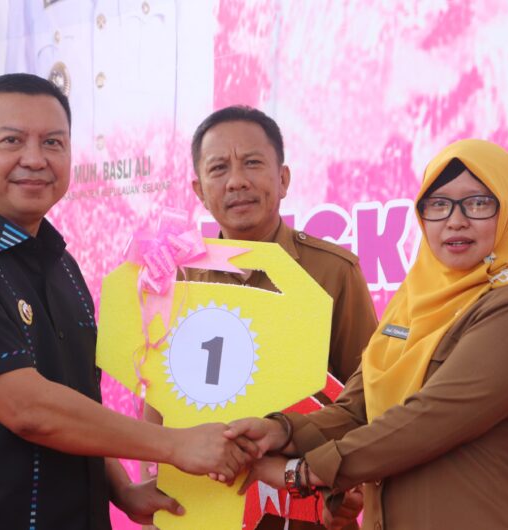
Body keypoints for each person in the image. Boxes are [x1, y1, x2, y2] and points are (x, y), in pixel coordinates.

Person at [0, 73, 255, 530]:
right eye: (11, 140)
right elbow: (30, 409)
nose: (35, 159)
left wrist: (122, 489)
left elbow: (76, 401)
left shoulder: (60, 262)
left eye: (52, 142)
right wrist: (175, 444)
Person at [227, 139, 508, 529]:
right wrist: (280, 431)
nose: (455, 220)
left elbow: (430, 420)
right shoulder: (412, 302)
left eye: (479, 203)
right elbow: (357, 410)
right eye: (438, 204)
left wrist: (304, 471)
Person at [143, 105, 377, 529]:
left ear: (283, 179)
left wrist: (348, 486)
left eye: (252, 163)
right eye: (219, 168)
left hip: (309, 505)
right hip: (203, 506)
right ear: (199, 190)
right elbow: (161, 402)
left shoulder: (333, 272)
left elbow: (368, 394)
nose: (237, 181)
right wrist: (157, 484)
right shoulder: (176, 279)